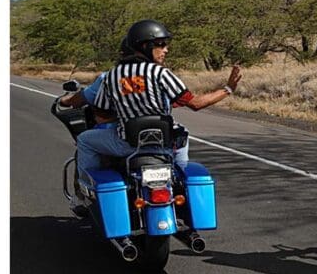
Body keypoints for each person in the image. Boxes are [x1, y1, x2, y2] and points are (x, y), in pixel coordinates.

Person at [74, 19, 241, 193]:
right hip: (164, 144)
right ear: (144, 46)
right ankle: (180, 182)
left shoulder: (111, 77)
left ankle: (86, 189)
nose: (166, 50)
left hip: (127, 145)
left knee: (85, 140)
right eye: (160, 45)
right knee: (181, 133)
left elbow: (102, 114)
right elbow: (195, 103)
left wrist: (126, 111)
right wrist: (228, 89)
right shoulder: (160, 73)